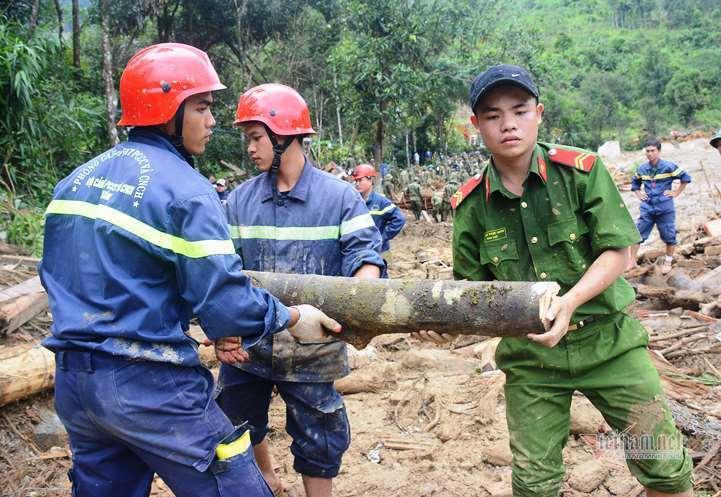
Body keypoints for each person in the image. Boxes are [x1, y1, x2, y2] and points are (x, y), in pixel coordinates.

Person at [39, 43, 341, 497]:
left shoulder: (73, 183)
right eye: (202, 107)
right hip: (151, 386)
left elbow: (63, 276)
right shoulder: (186, 190)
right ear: (167, 111)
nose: (213, 120)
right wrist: (294, 317)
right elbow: (227, 303)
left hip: (76, 388)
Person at [450, 64, 693, 497]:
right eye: (492, 115)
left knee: (664, 468)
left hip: (610, 345)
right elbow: (474, 293)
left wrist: (571, 301)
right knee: (534, 486)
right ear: (476, 126)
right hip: (531, 361)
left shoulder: (581, 171)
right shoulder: (470, 205)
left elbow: (621, 250)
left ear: (538, 114)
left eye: (520, 110)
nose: (508, 123)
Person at [217, 83, 384, 497]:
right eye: (248, 139)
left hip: (314, 347)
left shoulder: (340, 197)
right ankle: (266, 477)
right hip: (250, 345)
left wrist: (358, 300)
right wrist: (223, 325)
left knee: (319, 437)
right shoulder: (239, 202)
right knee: (237, 420)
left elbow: (366, 257)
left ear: (285, 136)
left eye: (256, 138)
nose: (250, 149)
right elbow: (222, 269)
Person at [627, 139, 691, 274]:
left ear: (659, 151)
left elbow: (685, 177)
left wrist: (676, 192)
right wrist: (639, 194)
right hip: (647, 207)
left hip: (664, 207)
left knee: (669, 235)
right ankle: (631, 262)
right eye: (647, 151)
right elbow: (635, 184)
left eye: (652, 151)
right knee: (637, 234)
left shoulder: (668, 166)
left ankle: (668, 262)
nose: (649, 153)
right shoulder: (642, 168)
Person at [352, 163, 406, 256]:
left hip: (380, 251)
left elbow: (400, 219)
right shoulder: (353, 202)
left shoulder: (381, 202)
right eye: (356, 181)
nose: (357, 184)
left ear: (370, 180)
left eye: (360, 180)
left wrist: (382, 237)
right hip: (360, 251)